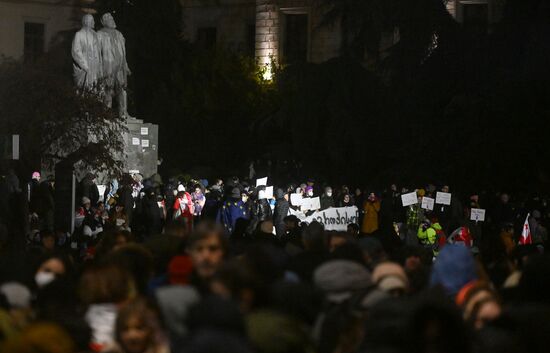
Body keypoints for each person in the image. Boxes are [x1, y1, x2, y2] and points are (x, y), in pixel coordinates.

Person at [98, 13, 132, 118]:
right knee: (108, 88)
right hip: (108, 66)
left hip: (120, 66)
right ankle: (106, 113)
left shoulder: (119, 34)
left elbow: (123, 52)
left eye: (112, 18)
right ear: (103, 22)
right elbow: (97, 53)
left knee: (122, 89)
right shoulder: (99, 34)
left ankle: (123, 112)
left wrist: (126, 66)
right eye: (108, 19)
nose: (112, 20)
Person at [72, 14, 102, 91]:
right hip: (86, 67)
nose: (94, 22)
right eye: (92, 20)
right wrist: (85, 66)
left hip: (96, 67)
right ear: (86, 22)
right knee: (85, 91)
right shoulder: (79, 34)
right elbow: (76, 52)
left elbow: (99, 52)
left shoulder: (96, 35)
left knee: (96, 90)